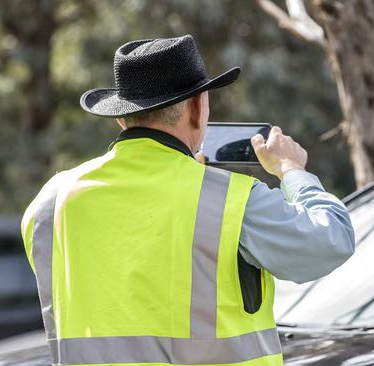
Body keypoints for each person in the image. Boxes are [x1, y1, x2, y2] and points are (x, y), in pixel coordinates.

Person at [21, 35, 355, 366]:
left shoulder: (51, 201)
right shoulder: (227, 200)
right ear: (198, 107)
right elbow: (331, 240)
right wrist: (292, 170)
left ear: (122, 118)